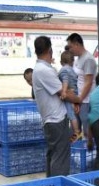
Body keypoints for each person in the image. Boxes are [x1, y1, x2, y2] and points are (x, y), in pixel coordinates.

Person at [32, 36, 81, 177]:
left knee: (54, 155)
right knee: (60, 157)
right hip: (56, 120)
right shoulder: (44, 70)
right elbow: (64, 93)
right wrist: (78, 99)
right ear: (50, 50)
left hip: (51, 120)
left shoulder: (41, 69)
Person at [66, 33, 97, 140]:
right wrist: (76, 100)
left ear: (77, 44)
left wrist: (79, 99)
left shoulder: (88, 59)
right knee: (76, 128)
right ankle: (77, 147)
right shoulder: (78, 59)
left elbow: (88, 83)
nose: (69, 50)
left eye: (70, 47)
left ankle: (89, 147)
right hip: (79, 99)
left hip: (86, 100)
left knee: (87, 128)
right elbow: (78, 79)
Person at [58, 51, 82, 141]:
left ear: (61, 62)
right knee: (74, 113)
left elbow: (65, 81)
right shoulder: (72, 71)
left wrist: (64, 92)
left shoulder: (63, 70)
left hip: (69, 95)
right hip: (75, 94)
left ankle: (76, 132)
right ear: (72, 62)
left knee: (71, 115)